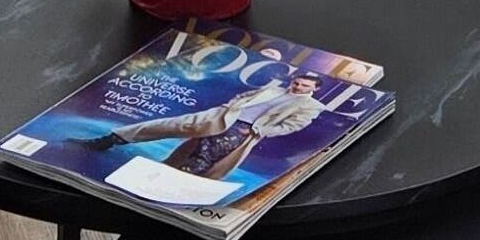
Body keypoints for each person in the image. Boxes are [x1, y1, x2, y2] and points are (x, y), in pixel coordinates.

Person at [74, 72, 329, 179]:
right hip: (222, 115)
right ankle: (110, 140)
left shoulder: (311, 107)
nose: (298, 86)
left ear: (314, 89)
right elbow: (245, 98)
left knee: (200, 157)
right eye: (297, 82)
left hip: (242, 131)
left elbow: (292, 126)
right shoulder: (274, 87)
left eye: (304, 86)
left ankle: (162, 184)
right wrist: (231, 105)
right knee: (169, 124)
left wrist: (257, 131)